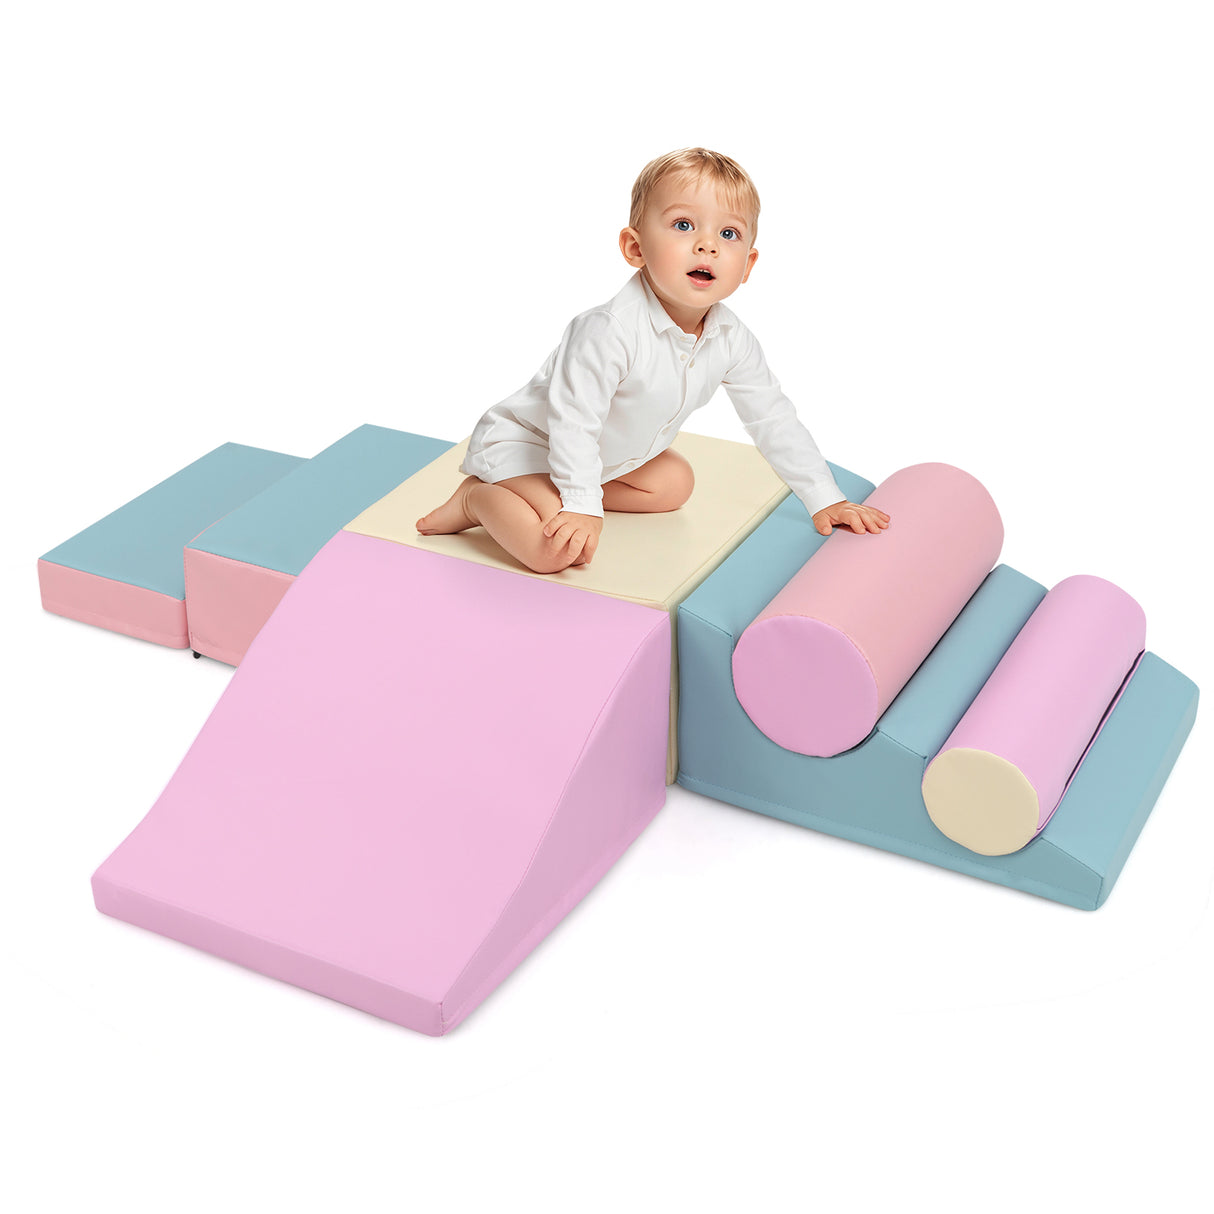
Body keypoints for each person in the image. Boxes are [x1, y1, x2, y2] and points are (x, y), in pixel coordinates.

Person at [416, 147, 889, 572]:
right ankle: (478, 498)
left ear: (747, 266)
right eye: (684, 225)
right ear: (635, 248)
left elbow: (773, 418)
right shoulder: (608, 330)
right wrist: (582, 504)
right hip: (529, 444)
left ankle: (544, 494)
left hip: (601, 459)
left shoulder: (731, 338)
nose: (707, 245)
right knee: (555, 550)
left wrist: (824, 500)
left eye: (728, 233)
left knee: (674, 483)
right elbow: (574, 421)